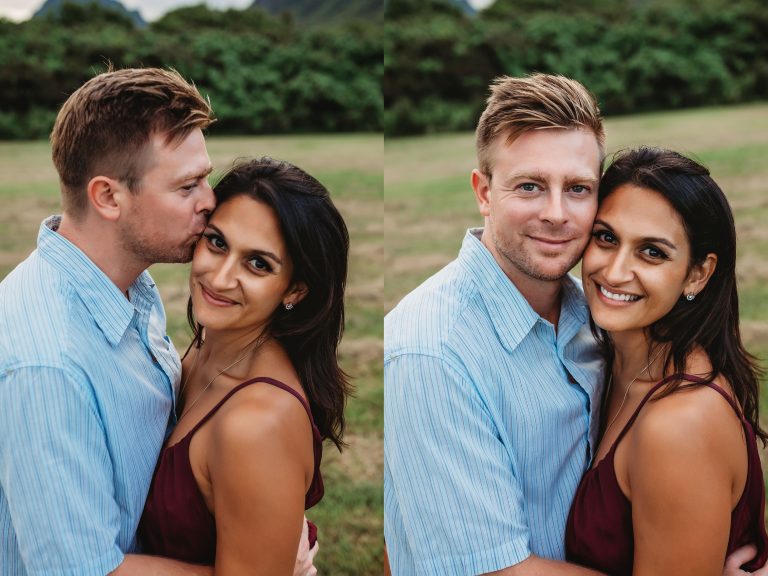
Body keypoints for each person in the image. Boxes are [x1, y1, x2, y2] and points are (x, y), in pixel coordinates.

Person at [384, 73, 768, 576]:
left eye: (578, 189)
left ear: (698, 272)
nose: (557, 214)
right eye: (529, 186)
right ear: (483, 192)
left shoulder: (600, 327)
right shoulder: (430, 351)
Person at [0, 68, 312, 576]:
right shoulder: (48, 366)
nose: (209, 201)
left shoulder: (127, 288)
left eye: (205, 177)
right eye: (187, 185)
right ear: (108, 197)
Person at [138, 156, 352, 573]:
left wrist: (100, 564)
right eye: (217, 242)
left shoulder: (257, 423)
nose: (219, 279)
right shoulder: (208, 351)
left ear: (295, 289)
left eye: (258, 264)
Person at [565, 147, 768, 575]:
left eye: (652, 252)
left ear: (698, 274)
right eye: (606, 237)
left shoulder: (678, 424)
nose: (616, 271)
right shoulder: (608, 362)